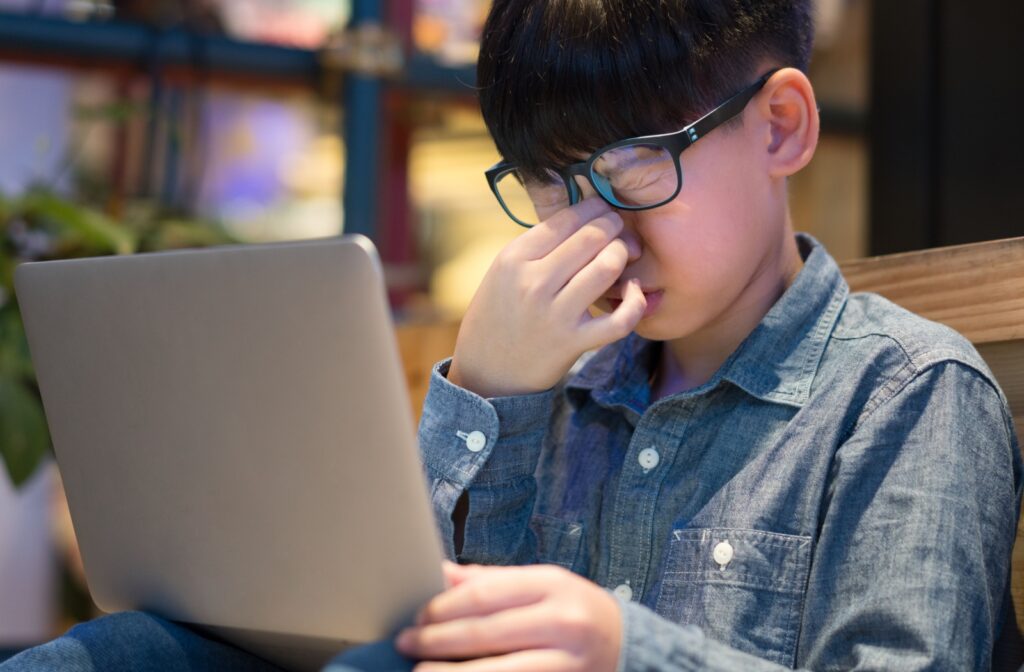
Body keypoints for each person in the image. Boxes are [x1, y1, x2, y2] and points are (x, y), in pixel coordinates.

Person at [4, 0, 1020, 670]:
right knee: (122, 651)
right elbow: (418, 631)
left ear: (780, 126)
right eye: (548, 183)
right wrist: (488, 393)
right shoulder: (559, 377)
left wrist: (625, 650)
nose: (592, 227)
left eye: (630, 169)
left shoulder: (906, 394)